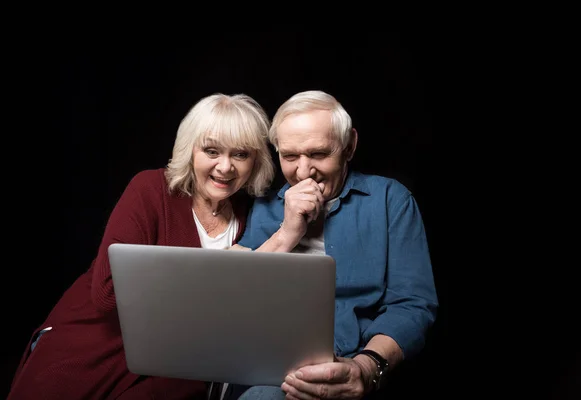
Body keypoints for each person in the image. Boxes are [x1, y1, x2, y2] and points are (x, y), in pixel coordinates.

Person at [7, 93, 275, 400]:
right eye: (211, 150)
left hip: (177, 365)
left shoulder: (252, 213)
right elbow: (107, 294)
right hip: (97, 346)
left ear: (256, 160)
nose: (225, 167)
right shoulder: (150, 189)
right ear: (190, 150)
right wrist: (213, 287)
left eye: (240, 155)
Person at [227, 90, 438, 399]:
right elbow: (237, 298)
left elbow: (413, 305)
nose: (303, 172)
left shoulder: (391, 200)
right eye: (289, 156)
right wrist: (288, 231)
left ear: (349, 146)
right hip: (271, 369)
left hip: (353, 362)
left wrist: (367, 368)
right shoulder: (266, 207)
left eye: (318, 154)